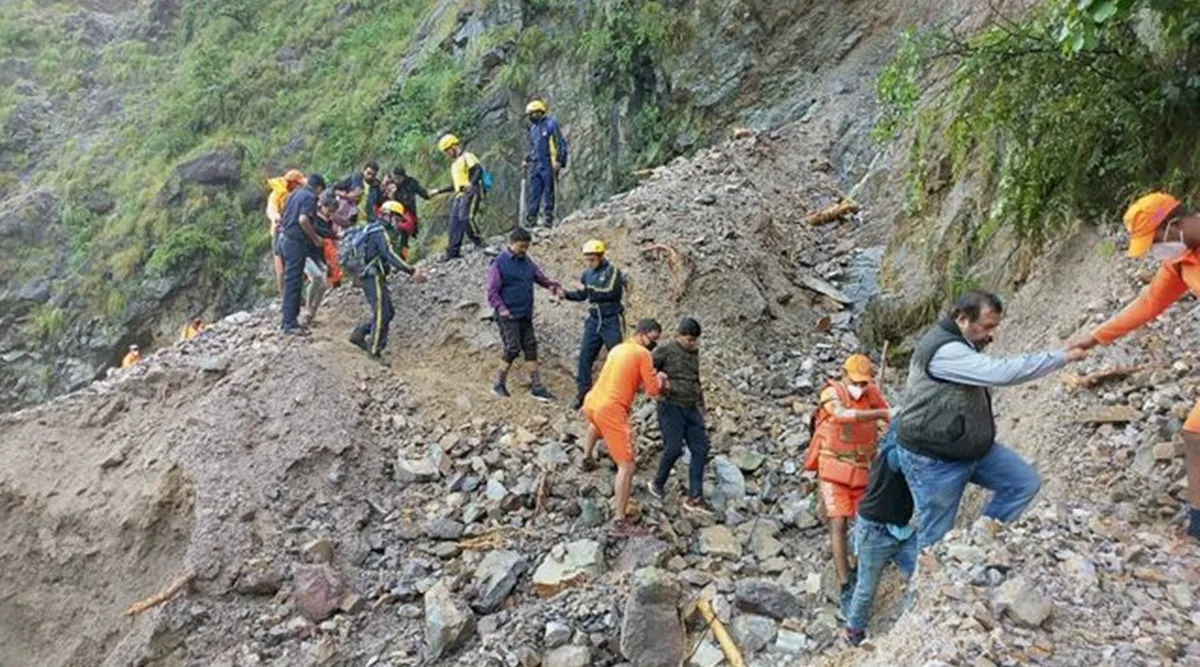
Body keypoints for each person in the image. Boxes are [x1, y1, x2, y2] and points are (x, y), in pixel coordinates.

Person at [896, 290, 1087, 549]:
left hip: (971, 447)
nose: (990, 335)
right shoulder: (945, 351)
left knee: (1023, 483)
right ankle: (929, 586)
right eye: (986, 327)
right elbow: (999, 373)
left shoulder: (963, 341)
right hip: (933, 459)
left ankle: (981, 544)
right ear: (962, 319)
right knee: (935, 540)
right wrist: (1061, 357)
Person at [1067, 192, 1200, 540]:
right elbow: (1148, 304)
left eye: (1155, 241)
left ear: (1173, 225)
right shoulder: (1181, 262)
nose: (1156, 251)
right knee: (1195, 433)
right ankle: (1198, 526)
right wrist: (1094, 338)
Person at [805, 354, 891, 612]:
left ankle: (860, 565)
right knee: (839, 521)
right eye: (856, 382)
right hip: (834, 468)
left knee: (865, 521)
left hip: (863, 468)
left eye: (865, 383)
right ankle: (844, 582)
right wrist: (881, 413)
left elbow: (889, 418)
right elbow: (841, 415)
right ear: (844, 375)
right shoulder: (831, 394)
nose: (861, 387)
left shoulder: (871, 393)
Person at [581, 318, 667, 536]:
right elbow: (653, 391)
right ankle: (620, 521)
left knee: (595, 424)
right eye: (652, 339)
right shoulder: (642, 354)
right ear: (642, 334)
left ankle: (587, 457)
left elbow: (628, 380)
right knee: (627, 465)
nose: (652, 345)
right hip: (612, 409)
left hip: (592, 402)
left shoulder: (619, 348)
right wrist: (662, 380)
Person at [843, 421, 917, 647]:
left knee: (921, 570)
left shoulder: (893, 452)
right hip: (874, 531)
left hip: (901, 530)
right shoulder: (894, 455)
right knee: (866, 588)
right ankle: (854, 631)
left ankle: (913, 618)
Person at [485, 226, 563, 400]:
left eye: (526, 247)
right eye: (521, 246)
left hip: (525, 313)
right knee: (512, 348)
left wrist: (551, 285)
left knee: (531, 347)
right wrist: (501, 308)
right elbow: (491, 291)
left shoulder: (527, 262)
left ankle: (537, 387)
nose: (524, 250)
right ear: (511, 244)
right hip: (508, 314)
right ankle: (498, 384)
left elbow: (539, 277)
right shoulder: (499, 263)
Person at [647, 317, 714, 517]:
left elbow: (696, 380)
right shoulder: (666, 349)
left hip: (691, 407)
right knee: (674, 448)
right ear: (679, 335)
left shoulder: (694, 353)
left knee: (701, 449)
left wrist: (702, 407)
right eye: (689, 339)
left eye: (695, 340)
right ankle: (657, 483)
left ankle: (695, 497)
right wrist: (658, 380)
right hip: (670, 405)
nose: (692, 343)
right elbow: (646, 367)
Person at [348, 213, 428, 359]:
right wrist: (411, 270)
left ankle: (359, 333)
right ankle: (374, 350)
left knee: (388, 312)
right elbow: (389, 255)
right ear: (389, 216)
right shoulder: (380, 232)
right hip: (373, 275)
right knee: (382, 313)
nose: (398, 224)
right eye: (397, 219)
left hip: (370, 275)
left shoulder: (370, 229)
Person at [563, 239, 627, 409]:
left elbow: (608, 292)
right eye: (588, 259)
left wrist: (586, 289)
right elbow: (583, 295)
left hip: (610, 319)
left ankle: (620, 396)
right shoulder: (587, 274)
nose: (589, 263)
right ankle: (583, 394)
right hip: (593, 320)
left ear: (600, 256)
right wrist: (566, 294)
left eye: (592, 259)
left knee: (617, 357)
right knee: (584, 358)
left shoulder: (612, 271)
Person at [278, 173, 327, 335]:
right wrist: (315, 239)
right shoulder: (309, 198)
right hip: (295, 243)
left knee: (291, 280)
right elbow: (303, 220)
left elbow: (285, 215)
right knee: (294, 283)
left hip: (284, 239)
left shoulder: (294, 194)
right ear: (319, 188)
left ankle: (287, 319)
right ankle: (289, 323)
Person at [437, 134, 486, 261]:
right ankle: (453, 251)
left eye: (448, 151)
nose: (447, 154)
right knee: (454, 223)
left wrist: (471, 183)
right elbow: (455, 185)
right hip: (460, 195)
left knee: (466, 218)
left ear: (454, 146)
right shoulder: (454, 165)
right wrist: (438, 191)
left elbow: (478, 170)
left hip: (471, 191)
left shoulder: (467, 157)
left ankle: (479, 241)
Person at [523, 99, 568, 227]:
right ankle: (531, 218)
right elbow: (534, 148)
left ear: (539, 112)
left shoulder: (550, 124)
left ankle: (548, 218)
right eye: (529, 115)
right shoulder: (533, 129)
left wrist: (559, 160)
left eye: (532, 114)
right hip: (536, 164)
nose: (530, 117)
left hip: (549, 163)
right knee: (534, 191)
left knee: (549, 191)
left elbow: (559, 142)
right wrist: (528, 159)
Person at [266, 169, 306, 294]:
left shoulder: (297, 194)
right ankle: (283, 295)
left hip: (294, 233)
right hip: (279, 233)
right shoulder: (277, 194)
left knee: (298, 264)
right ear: (292, 183)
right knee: (281, 267)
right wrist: (276, 217)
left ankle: (297, 293)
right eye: (298, 184)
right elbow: (271, 209)